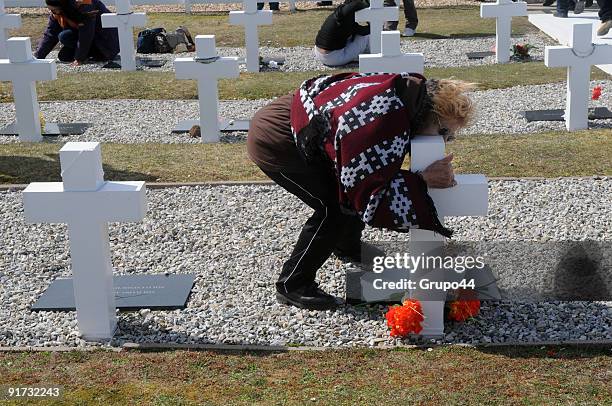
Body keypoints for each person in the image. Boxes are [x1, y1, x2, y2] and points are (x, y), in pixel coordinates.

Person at [247, 72, 476, 310]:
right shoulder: (382, 119)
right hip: (277, 141)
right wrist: (421, 180)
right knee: (333, 209)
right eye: (443, 133)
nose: (446, 141)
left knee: (343, 196)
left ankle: (346, 245)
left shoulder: (409, 95)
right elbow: (367, 192)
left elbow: (369, 170)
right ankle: (293, 284)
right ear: (431, 114)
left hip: (303, 125)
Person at [35, 0, 119, 65]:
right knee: (64, 56)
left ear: (62, 6)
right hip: (92, 40)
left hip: (105, 41)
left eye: (53, 10)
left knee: (64, 36)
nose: (51, 12)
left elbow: (86, 33)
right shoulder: (61, 11)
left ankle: (100, 55)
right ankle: (86, 53)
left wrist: (79, 58)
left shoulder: (84, 4)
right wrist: (38, 56)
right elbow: (50, 34)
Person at [314, 0, 371, 67]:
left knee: (354, 36)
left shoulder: (338, 15)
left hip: (318, 52)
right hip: (332, 58)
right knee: (366, 37)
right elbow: (363, 32)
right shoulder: (346, 20)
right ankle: (373, 53)